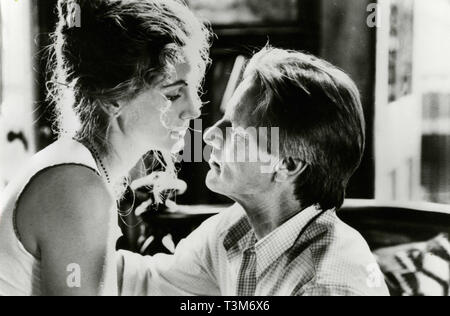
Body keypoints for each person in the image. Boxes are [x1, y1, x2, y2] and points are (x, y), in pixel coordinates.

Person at [117, 47, 390, 296]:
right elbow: (148, 282)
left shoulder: (325, 286)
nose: (211, 134)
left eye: (235, 131)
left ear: (286, 165)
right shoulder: (236, 229)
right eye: (223, 120)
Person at [0, 0, 210, 296]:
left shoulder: (77, 170)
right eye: (173, 94)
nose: (194, 110)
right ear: (114, 98)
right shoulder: (76, 187)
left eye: (193, 88)